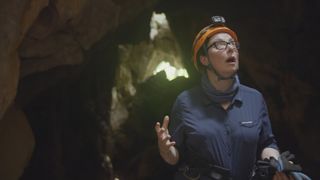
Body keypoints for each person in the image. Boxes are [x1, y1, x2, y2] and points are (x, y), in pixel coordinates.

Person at [154, 16, 311, 180]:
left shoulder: (254, 99)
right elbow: (174, 157)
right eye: (219, 45)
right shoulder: (185, 102)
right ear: (204, 59)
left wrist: (275, 165)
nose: (230, 49)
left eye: (233, 44)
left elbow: (267, 143)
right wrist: (165, 150)